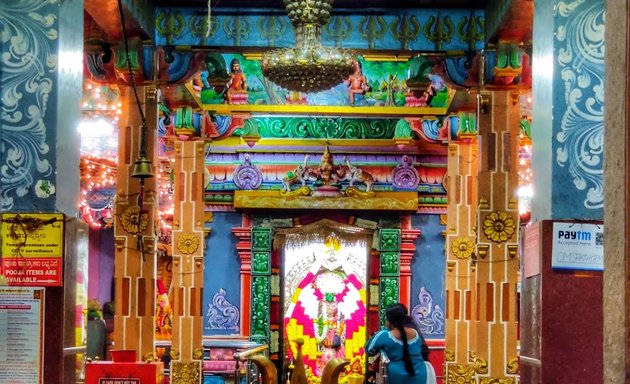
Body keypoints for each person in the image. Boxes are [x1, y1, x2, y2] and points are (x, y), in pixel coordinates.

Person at [366, 303, 427, 384]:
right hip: (420, 372)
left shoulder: (385, 335)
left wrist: (384, 330)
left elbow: (369, 350)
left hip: (397, 375)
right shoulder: (415, 333)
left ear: (388, 320)